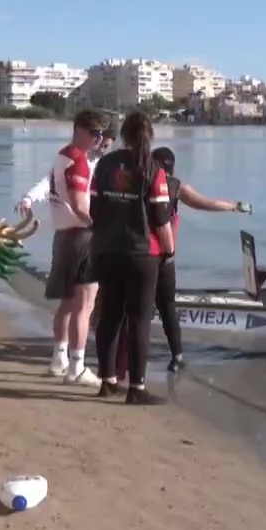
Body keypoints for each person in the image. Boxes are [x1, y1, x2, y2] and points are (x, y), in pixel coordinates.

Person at [17, 109, 111, 384]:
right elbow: (81, 206)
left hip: (63, 236)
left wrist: (29, 198)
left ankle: (59, 358)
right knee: (85, 305)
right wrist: (102, 227)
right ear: (79, 130)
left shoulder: (61, 156)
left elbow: (50, 188)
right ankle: (77, 367)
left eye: (101, 134)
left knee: (67, 303)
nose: (98, 139)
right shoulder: (78, 161)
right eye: (94, 133)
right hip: (82, 237)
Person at [88, 111, 173, 404]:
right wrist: (170, 252)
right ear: (149, 136)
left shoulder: (104, 164)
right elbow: (161, 219)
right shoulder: (153, 168)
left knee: (109, 315)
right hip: (142, 253)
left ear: (123, 134)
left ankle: (107, 381)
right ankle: (136, 388)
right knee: (139, 320)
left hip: (108, 249)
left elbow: (94, 210)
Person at [150, 146, 250, 373]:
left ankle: (122, 356)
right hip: (165, 256)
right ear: (172, 167)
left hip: (143, 254)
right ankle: (177, 356)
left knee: (138, 307)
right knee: (167, 308)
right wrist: (235, 206)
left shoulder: (143, 181)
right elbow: (206, 203)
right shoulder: (175, 186)